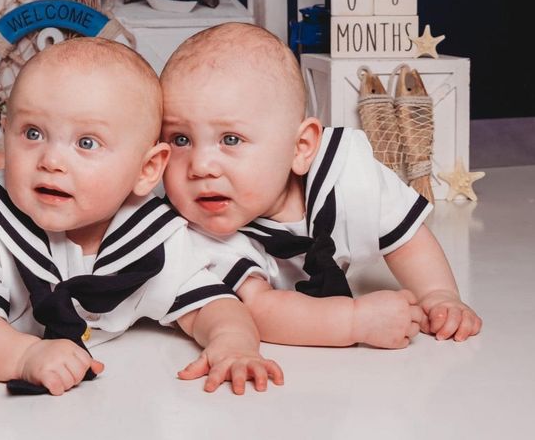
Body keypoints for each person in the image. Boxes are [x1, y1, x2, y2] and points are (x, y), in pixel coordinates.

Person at [0, 37, 283, 395]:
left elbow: (210, 302)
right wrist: (23, 357)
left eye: (86, 143)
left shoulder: (153, 237)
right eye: (33, 133)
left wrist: (233, 343)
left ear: (148, 169)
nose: (51, 159)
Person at [159, 23, 482, 348]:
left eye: (231, 139)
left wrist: (438, 295)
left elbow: (406, 238)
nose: (200, 166)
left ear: (300, 147)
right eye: (180, 139)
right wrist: (355, 321)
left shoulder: (348, 172)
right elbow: (260, 310)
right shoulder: (196, 233)